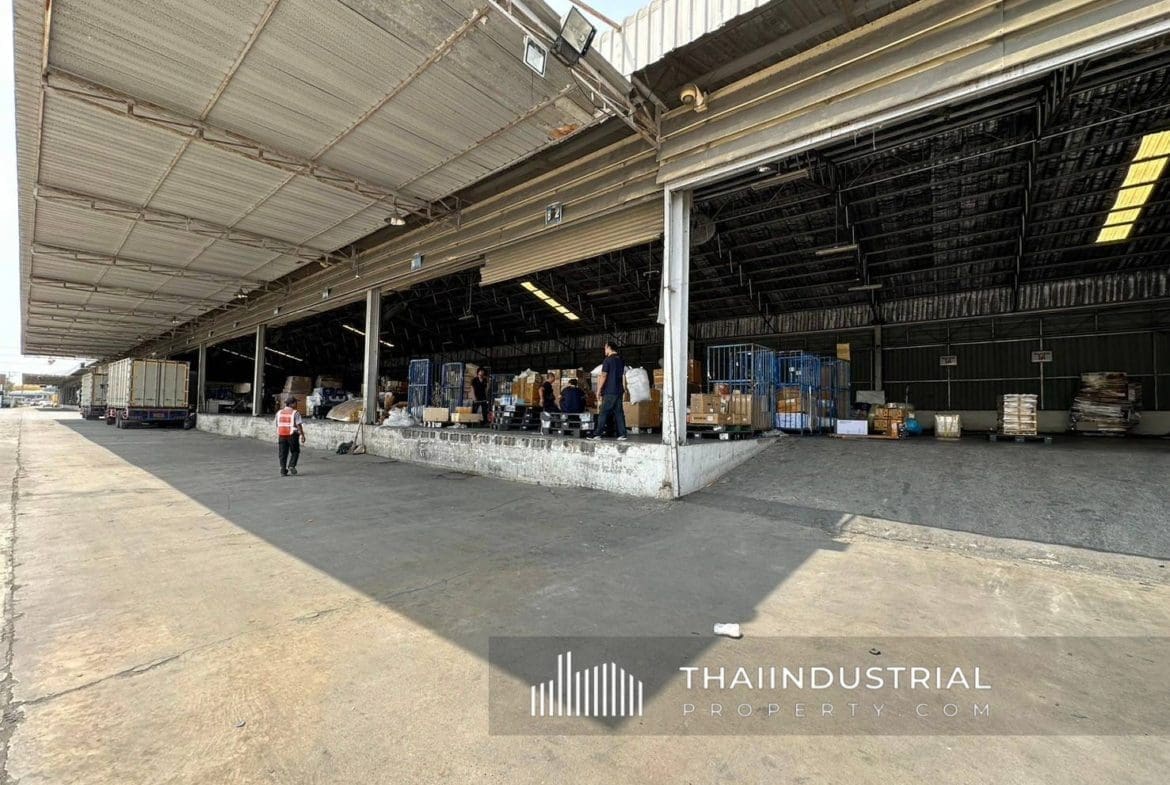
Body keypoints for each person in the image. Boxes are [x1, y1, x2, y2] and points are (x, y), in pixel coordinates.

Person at [592, 341, 628, 441]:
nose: (604, 350)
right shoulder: (621, 360)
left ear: (609, 347)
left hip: (610, 390)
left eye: (605, 348)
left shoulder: (607, 360)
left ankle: (597, 434)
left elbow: (604, 375)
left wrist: (598, 390)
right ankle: (622, 434)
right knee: (619, 413)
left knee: (603, 412)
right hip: (619, 390)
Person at [275, 396, 306, 476]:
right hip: (292, 435)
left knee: (282, 453)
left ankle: (283, 470)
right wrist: (302, 435)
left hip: (282, 435)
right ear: (291, 404)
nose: (296, 404)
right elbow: (298, 425)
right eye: (295, 403)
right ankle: (291, 465)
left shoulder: (279, 412)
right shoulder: (295, 413)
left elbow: (277, 424)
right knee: (295, 451)